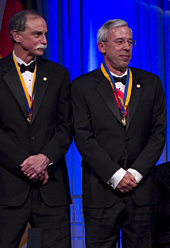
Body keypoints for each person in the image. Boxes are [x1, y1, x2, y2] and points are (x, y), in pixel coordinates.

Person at [0, 9, 72, 248]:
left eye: (45, 34)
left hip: (51, 187)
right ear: (16, 35)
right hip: (8, 186)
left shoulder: (59, 74)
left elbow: (66, 126)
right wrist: (27, 163)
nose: (45, 41)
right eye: (37, 34)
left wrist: (45, 159)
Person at [71, 19, 166, 248]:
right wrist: (115, 175)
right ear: (102, 47)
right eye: (120, 41)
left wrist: (134, 173)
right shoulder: (82, 86)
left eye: (130, 42)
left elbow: (158, 133)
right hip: (101, 190)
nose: (127, 47)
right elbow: (83, 137)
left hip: (141, 190)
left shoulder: (151, 83)